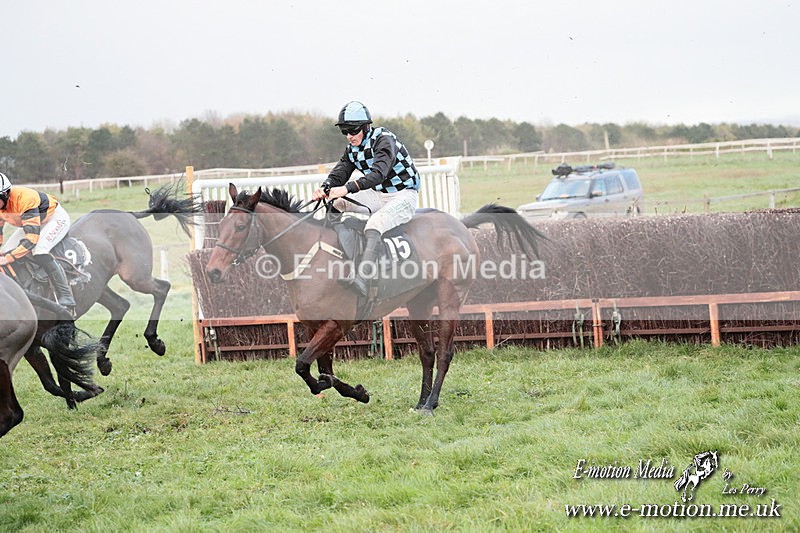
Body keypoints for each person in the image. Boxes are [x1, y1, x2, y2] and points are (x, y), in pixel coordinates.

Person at [312, 101, 420, 298]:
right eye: (344, 131)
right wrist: (326, 187)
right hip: (379, 195)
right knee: (336, 203)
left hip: (403, 195)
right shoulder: (352, 148)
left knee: (375, 223)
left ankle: (363, 279)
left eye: (352, 131)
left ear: (365, 126)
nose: (349, 136)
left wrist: (345, 189)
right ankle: (331, 256)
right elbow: (341, 171)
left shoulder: (384, 140)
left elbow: (378, 174)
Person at [0, 172, 76, 312]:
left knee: (39, 250)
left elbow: (31, 240)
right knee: (5, 251)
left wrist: (8, 259)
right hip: (30, 222)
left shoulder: (24, 199)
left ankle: (65, 295)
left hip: (54, 219)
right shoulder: (1, 204)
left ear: (5, 193)